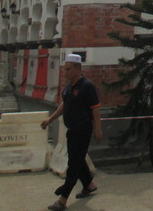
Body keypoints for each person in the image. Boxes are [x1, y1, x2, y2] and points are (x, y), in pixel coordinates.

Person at [41, 54, 103, 211]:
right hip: (72, 130)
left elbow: (95, 109)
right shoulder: (69, 86)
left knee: (73, 164)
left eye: (68, 69)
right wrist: (50, 119)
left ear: (77, 69)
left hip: (83, 129)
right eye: (64, 68)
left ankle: (63, 199)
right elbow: (65, 105)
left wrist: (98, 129)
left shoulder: (87, 86)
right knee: (78, 158)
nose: (65, 72)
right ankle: (89, 184)